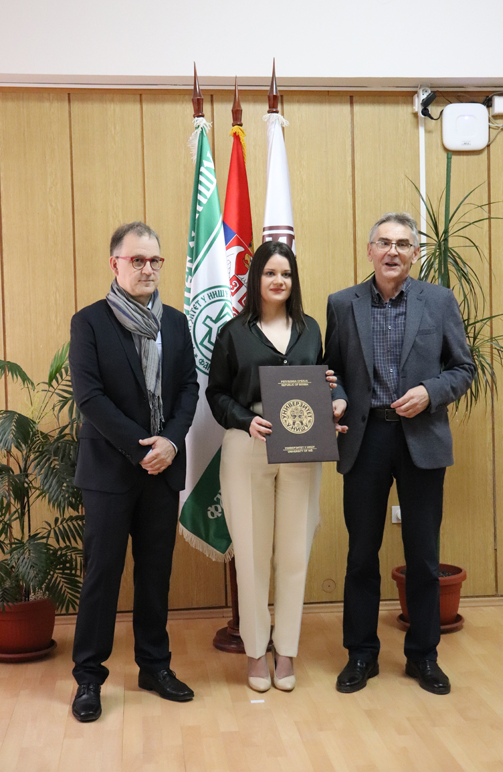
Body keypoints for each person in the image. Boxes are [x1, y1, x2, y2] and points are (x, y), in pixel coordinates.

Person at [325, 213, 475, 696]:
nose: (393, 251)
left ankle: (423, 656)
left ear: (415, 253)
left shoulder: (439, 301)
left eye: (403, 244)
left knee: (424, 556)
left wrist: (431, 392)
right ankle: (361, 654)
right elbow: (331, 371)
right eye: (384, 243)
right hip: (364, 439)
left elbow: (463, 368)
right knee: (361, 555)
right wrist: (336, 397)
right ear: (370, 250)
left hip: (420, 439)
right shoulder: (341, 304)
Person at [69, 221, 199, 722]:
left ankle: (154, 666)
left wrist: (171, 441)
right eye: (137, 260)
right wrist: (141, 447)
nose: (148, 268)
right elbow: (90, 397)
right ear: (115, 264)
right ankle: (88, 677)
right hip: (110, 471)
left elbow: (188, 389)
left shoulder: (176, 323)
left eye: (154, 260)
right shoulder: (90, 322)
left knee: (155, 575)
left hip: (163, 469)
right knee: (102, 576)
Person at [207, 241, 343, 692]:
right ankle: (254, 653)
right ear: (256, 279)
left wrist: (332, 399)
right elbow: (216, 394)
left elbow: (324, 379)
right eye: (270, 273)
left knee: (294, 553)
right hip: (248, 444)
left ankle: (285, 652)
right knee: (250, 555)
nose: (278, 281)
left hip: (301, 446)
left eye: (286, 273)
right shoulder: (233, 333)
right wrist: (245, 419)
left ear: (294, 280)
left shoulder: (310, 329)